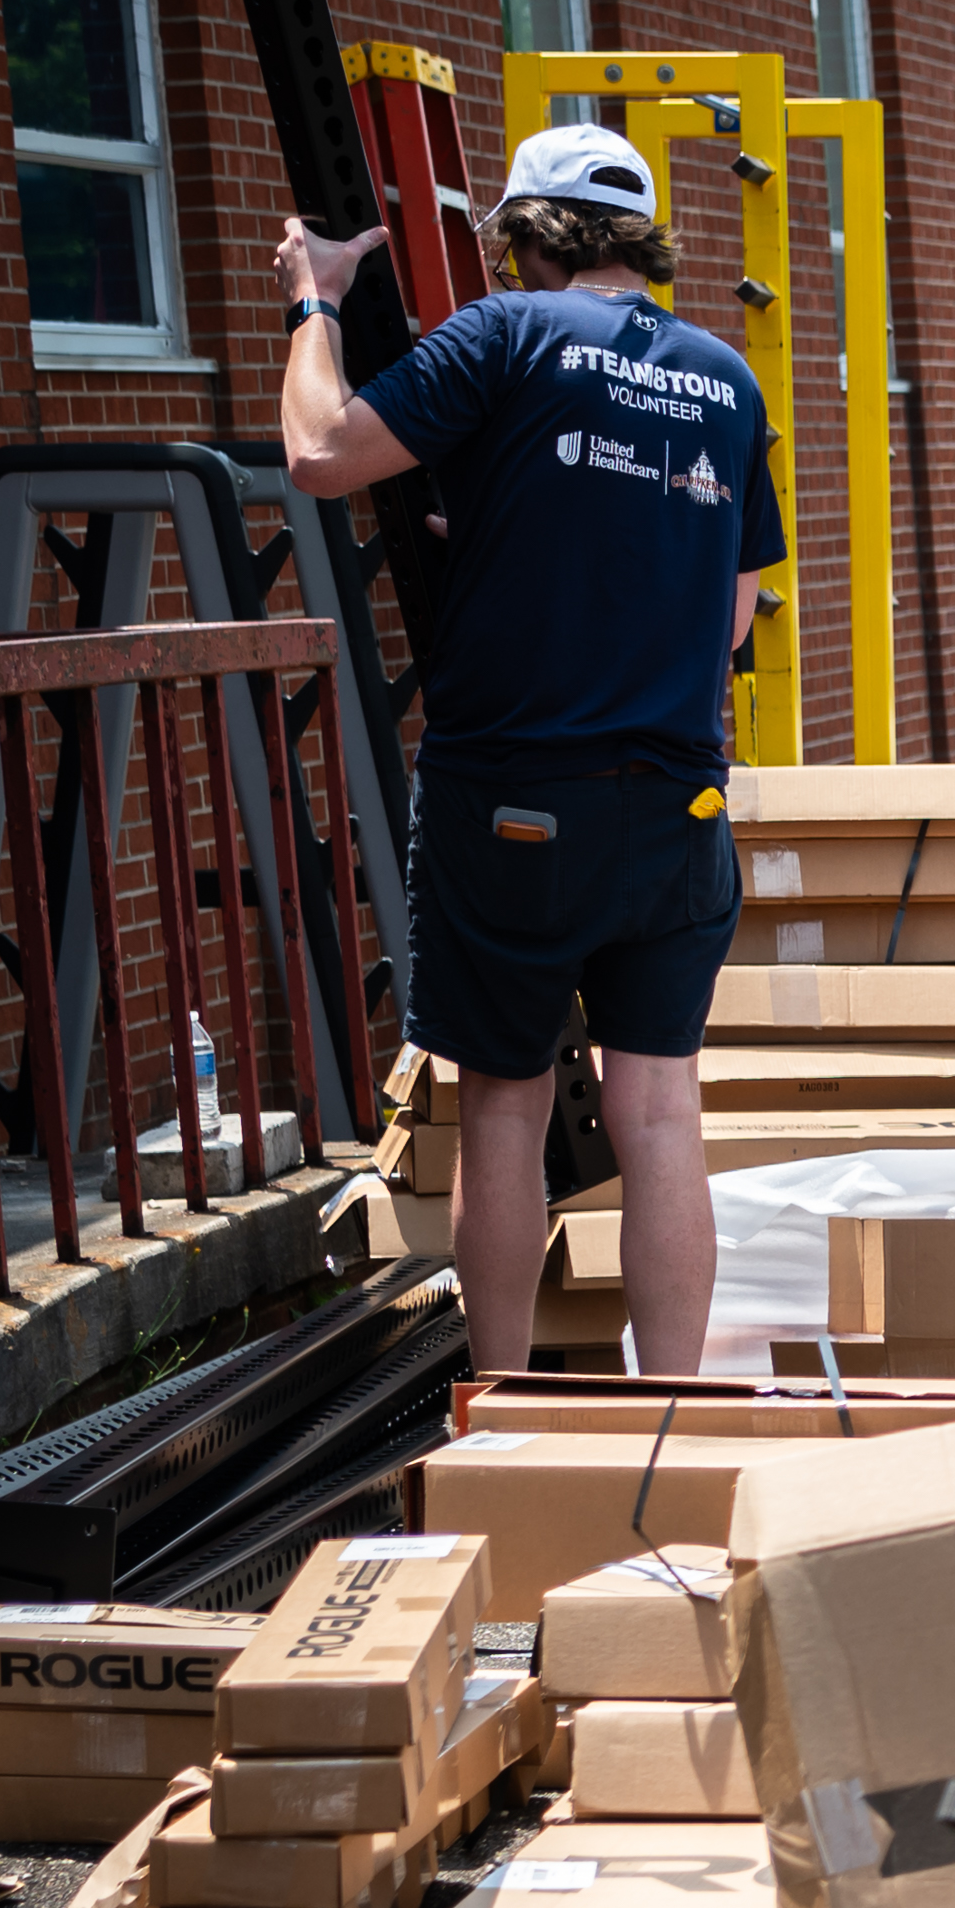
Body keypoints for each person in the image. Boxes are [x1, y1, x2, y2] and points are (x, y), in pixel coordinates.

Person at [274, 123, 778, 1379]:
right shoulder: (725, 377)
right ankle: (672, 1405)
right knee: (659, 1111)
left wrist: (316, 303)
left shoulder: (503, 336)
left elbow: (321, 453)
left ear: (524, 238)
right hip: (677, 804)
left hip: (513, 794)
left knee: (505, 1101)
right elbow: (732, 610)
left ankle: (505, 1411)